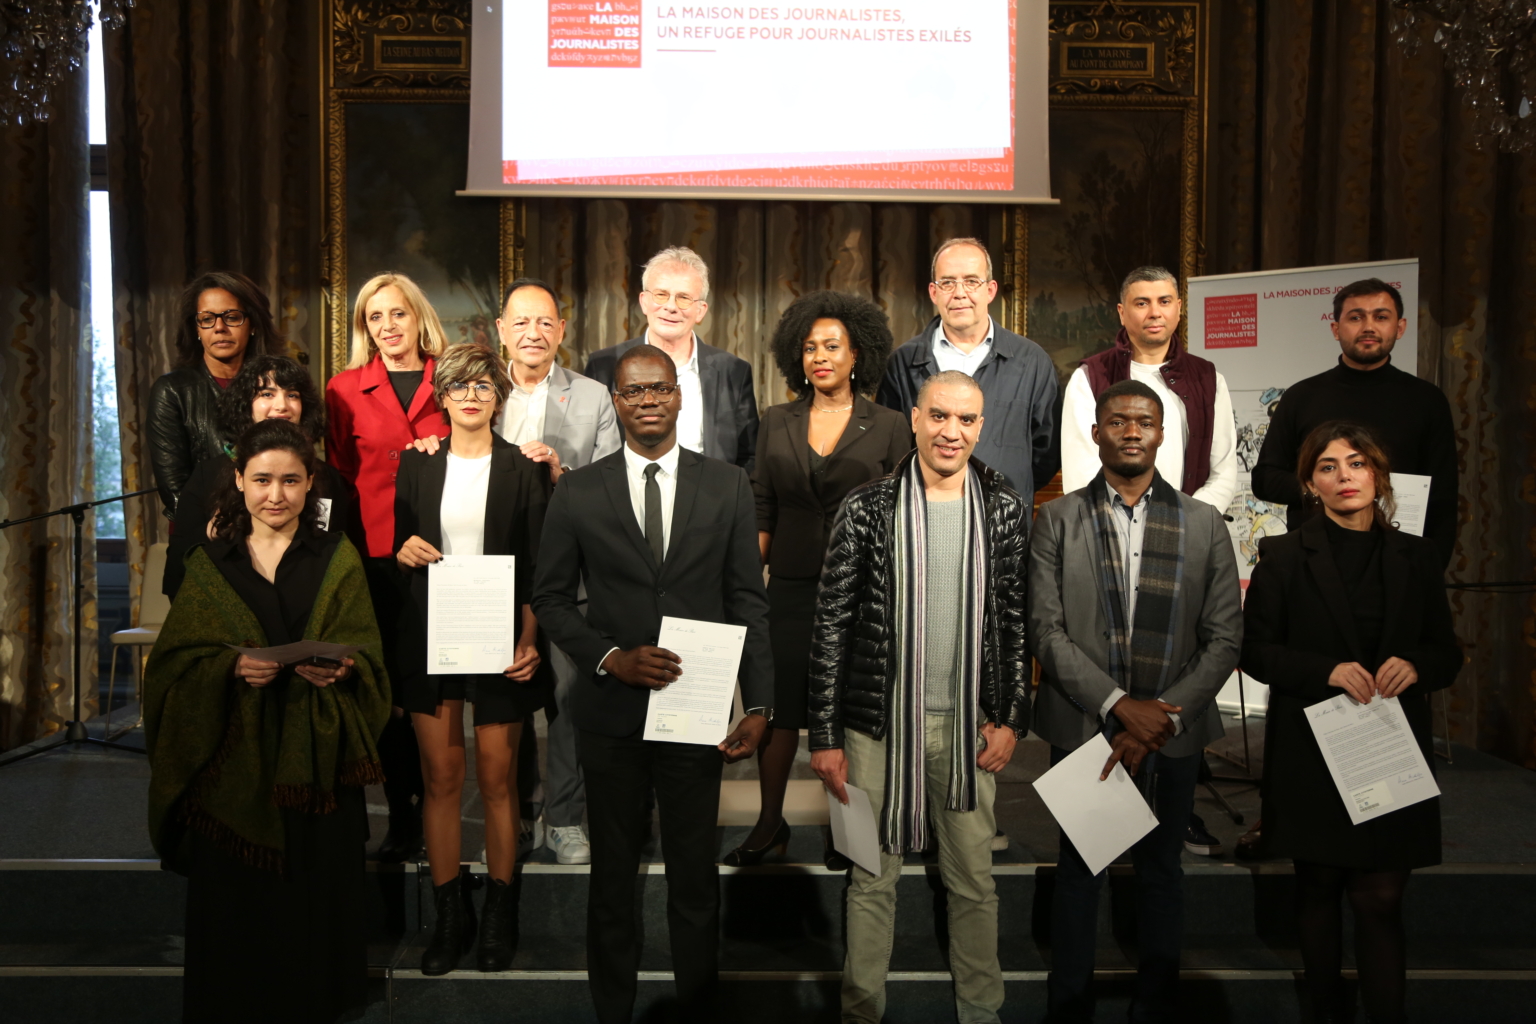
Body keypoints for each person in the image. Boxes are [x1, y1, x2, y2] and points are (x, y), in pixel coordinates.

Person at [531, 343, 773, 1024]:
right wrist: (610, 657)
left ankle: (696, 1010)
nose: (647, 401)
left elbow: (747, 600)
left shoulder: (727, 484)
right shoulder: (579, 489)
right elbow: (550, 599)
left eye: (658, 388)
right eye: (633, 391)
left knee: (694, 878)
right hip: (611, 713)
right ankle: (614, 1012)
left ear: (678, 395)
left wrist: (759, 703)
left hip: (695, 712)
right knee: (612, 877)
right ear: (616, 401)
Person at [143, 419, 389, 1024]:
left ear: (310, 484)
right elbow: (173, 667)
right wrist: (228, 668)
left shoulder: (337, 557)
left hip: (318, 766)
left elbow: (369, 654)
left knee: (313, 900)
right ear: (238, 481)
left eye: (290, 481)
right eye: (261, 480)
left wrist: (345, 670)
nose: (275, 495)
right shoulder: (209, 563)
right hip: (234, 764)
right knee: (238, 914)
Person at [808, 369, 1029, 1024]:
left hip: (969, 730)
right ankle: (861, 1012)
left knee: (974, 883)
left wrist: (1012, 718)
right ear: (914, 418)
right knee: (869, 879)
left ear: (980, 427)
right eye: (939, 416)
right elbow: (831, 626)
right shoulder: (867, 507)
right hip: (873, 730)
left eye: (965, 419)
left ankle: (982, 1013)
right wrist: (825, 736)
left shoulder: (1004, 508)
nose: (950, 431)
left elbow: (1014, 623)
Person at [1028, 379, 1242, 1023]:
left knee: (1161, 871)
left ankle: (1157, 1006)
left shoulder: (1203, 522)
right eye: (1117, 421)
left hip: (1173, 729)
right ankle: (1069, 1006)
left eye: (1144, 422)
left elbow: (1225, 636)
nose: (1130, 431)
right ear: (1096, 433)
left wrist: (1160, 716)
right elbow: (1046, 631)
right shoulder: (1057, 519)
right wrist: (1121, 705)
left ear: (1161, 434)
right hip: (1085, 723)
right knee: (1080, 870)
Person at [1241, 422, 1460, 1024]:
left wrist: (1417, 665)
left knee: (1380, 898)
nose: (1345, 476)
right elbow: (1255, 651)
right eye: (1328, 466)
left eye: (1357, 463)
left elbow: (1447, 652)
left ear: (1379, 476)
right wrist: (1327, 671)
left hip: (1389, 747)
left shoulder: (1417, 555)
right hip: (1312, 749)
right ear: (1310, 483)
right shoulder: (1284, 556)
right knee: (1319, 891)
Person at [1059, 265, 1238, 859]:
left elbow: (1225, 469)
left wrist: (1186, 527)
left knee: (1180, 661)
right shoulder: (1091, 376)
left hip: (1186, 544)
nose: (1153, 312)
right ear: (1122, 311)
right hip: (1103, 539)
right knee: (1108, 660)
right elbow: (1081, 471)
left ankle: (1176, 814)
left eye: (1164, 301)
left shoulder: (1206, 377)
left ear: (1179, 307)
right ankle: (1101, 812)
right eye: (1140, 302)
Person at [393, 343, 552, 975]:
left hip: (500, 638)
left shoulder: (524, 466)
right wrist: (404, 550)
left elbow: (538, 567)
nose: (470, 396)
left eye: (484, 386)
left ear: (499, 397)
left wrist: (529, 640)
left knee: (496, 779)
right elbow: (402, 543)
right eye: (458, 385)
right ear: (442, 395)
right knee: (440, 778)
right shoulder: (416, 461)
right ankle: (449, 916)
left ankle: (499, 914)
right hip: (431, 635)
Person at [736, 290, 909, 869]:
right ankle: (770, 824)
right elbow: (763, 504)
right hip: (788, 587)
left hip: (861, 591)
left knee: (848, 716)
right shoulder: (775, 421)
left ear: (857, 354)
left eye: (832, 347)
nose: (820, 357)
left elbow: (899, 514)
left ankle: (848, 832)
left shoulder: (890, 425)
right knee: (779, 709)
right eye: (810, 348)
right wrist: (749, 582)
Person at [325, 272, 450, 862]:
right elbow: (338, 477)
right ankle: (403, 814)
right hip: (373, 560)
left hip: (444, 557)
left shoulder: (450, 378)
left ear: (418, 317)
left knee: (438, 693)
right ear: (364, 328)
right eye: (375, 317)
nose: (388, 326)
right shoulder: (344, 388)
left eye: (398, 313)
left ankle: (445, 807)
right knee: (388, 695)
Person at [497, 277, 621, 865]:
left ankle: (565, 816)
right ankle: (517, 810)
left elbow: (612, 485)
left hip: (573, 572)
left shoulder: (593, 396)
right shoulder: (478, 392)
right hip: (498, 571)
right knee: (506, 695)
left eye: (545, 322)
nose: (534, 333)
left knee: (571, 699)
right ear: (501, 330)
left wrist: (560, 472)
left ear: (562, 331)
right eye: (521, 322)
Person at [1252, 278, 1458, 569]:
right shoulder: (1301, 397)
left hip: (1400, 562)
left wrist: (1432, 568)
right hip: (1311, 561)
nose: (1369, 327)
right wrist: (1323, 487)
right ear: (1336, 329)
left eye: (1381, 317)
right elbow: (1265, 479)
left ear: (1400, 327)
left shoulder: (1427, 400)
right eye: (1356, 317)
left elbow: (1443, 497)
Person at [878, 237, 1058, 500]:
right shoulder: (902, 363)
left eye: (972, 281)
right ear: (933, 292)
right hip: (922, 511)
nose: (959, 293)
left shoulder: (1033, 361)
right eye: (948, 283)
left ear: (990, 290)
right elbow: (892, 448)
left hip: (1004, 516)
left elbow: (1046, 455)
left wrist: (1005, 495)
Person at [163, 355, 357, 599]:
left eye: (292, 395)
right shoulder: (208, 475)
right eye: (267, 394)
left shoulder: (327, 477)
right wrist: (209, 533)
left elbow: (341, 561)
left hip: (308, 602)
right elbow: (176, 572)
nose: (282, 405)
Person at [582, 246, 759, 470]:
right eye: (661, 295)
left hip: (711, 488)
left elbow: (749, 455)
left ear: (701, 310)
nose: (671, 307)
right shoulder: (604, 365)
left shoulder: (733, 370)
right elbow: (589, 446)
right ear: (644, 301)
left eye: (684, 298)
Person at [148, 271, 280, 519]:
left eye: (232, 317)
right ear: (196, 329)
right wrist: (224, 529)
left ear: (253, 324)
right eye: (207, 319)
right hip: (203, 529)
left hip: (274, 522)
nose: (219, 327)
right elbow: (174, 490)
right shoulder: (172, 391)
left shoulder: (279, 388)